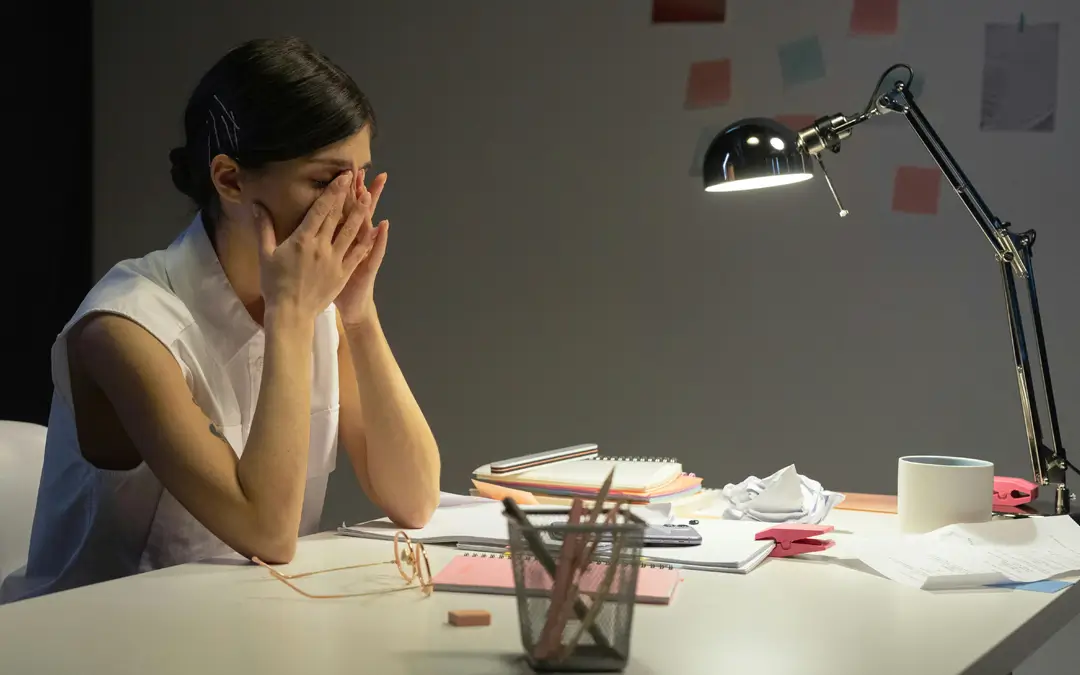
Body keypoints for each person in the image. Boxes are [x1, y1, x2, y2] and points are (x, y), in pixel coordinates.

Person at [0, 37, 441, 603]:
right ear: (230, 180)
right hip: (94, 644)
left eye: (361, 178)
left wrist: (358, 313)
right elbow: (268, 534)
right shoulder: (124, 326)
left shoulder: (318, 309)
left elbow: (415, 497)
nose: (353, 205)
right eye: (324, 181)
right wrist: (289, 316)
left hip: (241, 628)